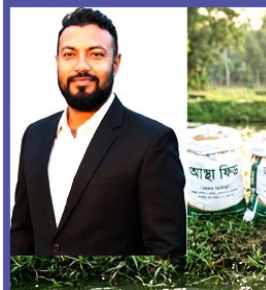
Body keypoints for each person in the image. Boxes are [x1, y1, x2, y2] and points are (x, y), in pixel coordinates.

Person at [10, 7, 186, 256]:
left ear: (115, 63)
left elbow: (166, 251)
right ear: (57, 61)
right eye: (69, 54)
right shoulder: (34, 136)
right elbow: (21, 234)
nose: (81, 66)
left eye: (96, 54)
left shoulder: (152, 141)